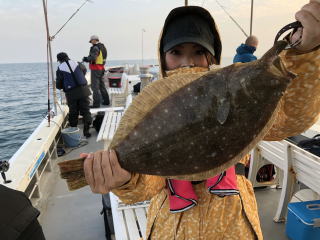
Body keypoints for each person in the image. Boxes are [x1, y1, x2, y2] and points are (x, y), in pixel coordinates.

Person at [83, 2, 320, 239]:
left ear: (213, 57)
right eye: (176, 53)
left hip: (233, 223)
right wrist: (124, 179)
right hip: (171, 228)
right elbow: (146, 187)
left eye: (199, 52)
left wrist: (304, 53)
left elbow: (288, 119)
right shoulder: (153, 108)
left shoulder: (232, 89)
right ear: (163, 58)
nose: (188, 62)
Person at [56, 52, 92, 138]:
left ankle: (74, 134)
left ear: (59, 60)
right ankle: (86, 132)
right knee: (86, 111)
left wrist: (63, 85)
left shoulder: (60, 68)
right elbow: (84, 70)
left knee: (73, 113)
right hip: (84, 90)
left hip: (71, 93)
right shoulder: (77, 63)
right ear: (68, 57)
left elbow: (58, 84)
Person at [82, 35, 110, 108]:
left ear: (94, 40)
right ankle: (106, 101)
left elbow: (93, 58)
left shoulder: (95, 48)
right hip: (101, 68)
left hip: (95, 69)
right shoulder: (102, 47)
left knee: (95, 87)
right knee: (102, 86)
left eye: (91, 41)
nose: (91, 42)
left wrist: (86, 59)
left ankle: (96, 104)